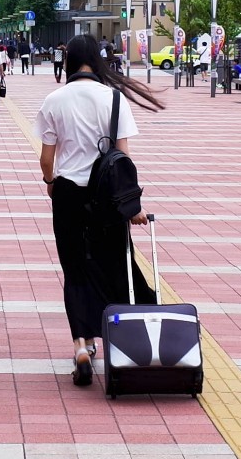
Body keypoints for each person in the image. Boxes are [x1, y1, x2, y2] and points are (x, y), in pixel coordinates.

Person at [37, 35, 163, 387]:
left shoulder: (54, 100)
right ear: (97, 59)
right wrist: (132, 206)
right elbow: (123, 157)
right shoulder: (114, 99)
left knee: (74, 268)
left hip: (67, 195)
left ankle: (81, 345)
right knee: (112, 263)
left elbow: (47, 158)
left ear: (68, 61)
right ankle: (118, 338)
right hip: (107, 197)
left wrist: (50, 181)